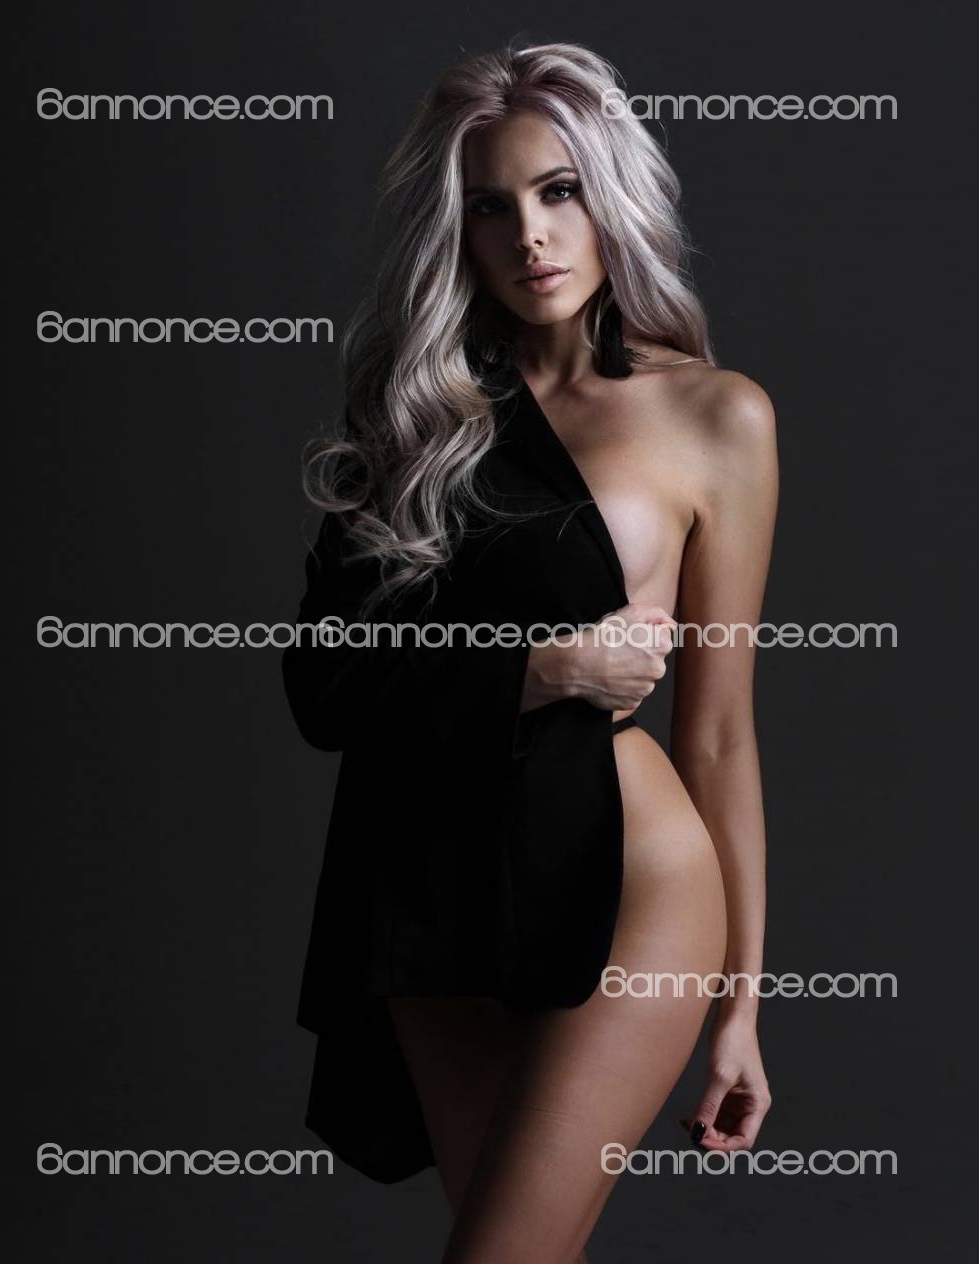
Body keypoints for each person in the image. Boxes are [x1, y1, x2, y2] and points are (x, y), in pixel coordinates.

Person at [282, 39, 778, 1264]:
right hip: (426, 872)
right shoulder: (412, 418)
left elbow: (718, 733)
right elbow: (325, 685)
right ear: (453, 230)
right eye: (489, 206)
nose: (531, 236)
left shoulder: (713, 415)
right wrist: (540, 670)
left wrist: (741, 1009)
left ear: (611, 197)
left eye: (559, 191)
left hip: (626, 872)